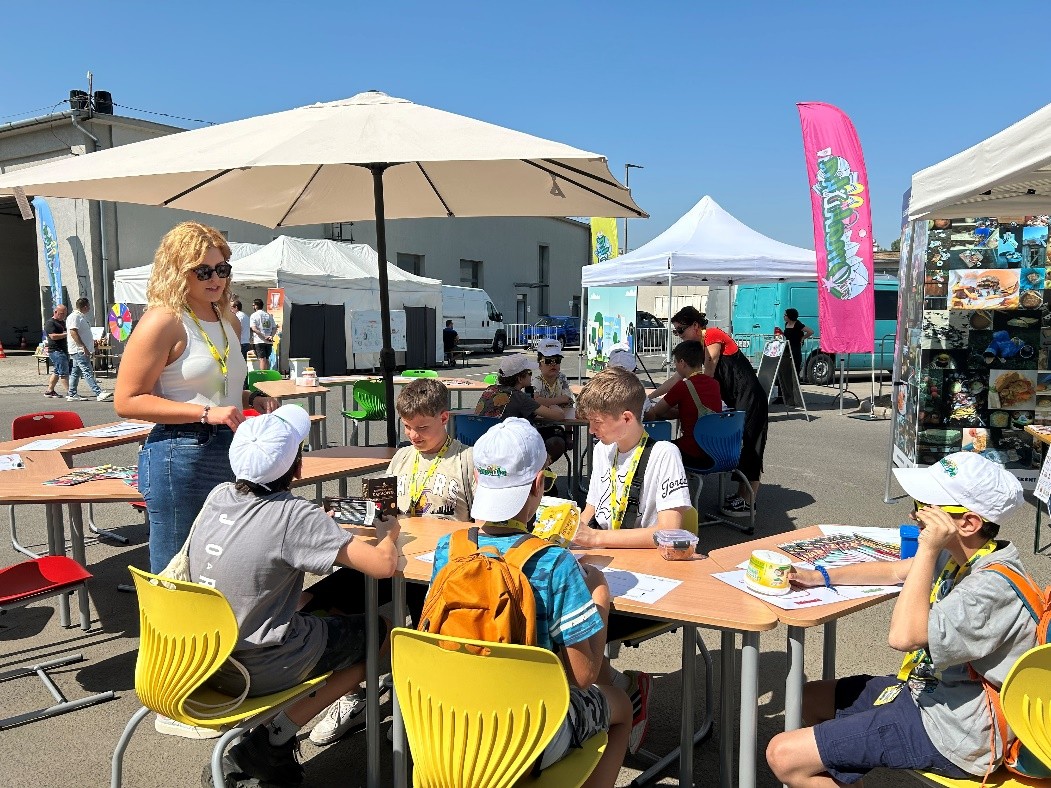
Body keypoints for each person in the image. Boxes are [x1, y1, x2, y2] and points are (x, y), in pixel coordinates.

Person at [766, 452, 1036, 787]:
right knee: (808, 698)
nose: (913, 514)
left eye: (925, 506)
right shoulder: (964, 555)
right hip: (929, 692)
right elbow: (895, 571)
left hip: (959, 730)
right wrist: (818, 575)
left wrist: (927, 549)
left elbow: (903, 637)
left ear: (967, 523)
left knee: (783, 756)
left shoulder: (988, 588)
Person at [183, 405, 401, 785]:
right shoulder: (296, 516)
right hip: (258, 665)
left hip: (203, 658)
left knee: (323, 611)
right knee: (380, 633)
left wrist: (318, 527)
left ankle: (279, 729)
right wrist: (390, 533)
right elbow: (382, 565)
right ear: (297, 467)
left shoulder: (219, 495)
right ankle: (276, 734)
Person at [428, 418, 631, 786]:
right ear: (539, 483)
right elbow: (583, 676)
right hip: (527, 735)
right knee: (621, 705)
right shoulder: (555, 563)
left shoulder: (448, 550)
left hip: (453, 724)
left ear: (477, 480)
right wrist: (599, 594)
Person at [302, 378, 476, 745]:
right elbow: (384, 509)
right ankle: (352, 696)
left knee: (427, 629)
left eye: (422, 427)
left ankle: (422, 705)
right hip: (393, 558)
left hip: (438, 570)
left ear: (444, 418)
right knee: (327, 599)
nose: (413, 435)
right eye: (408, 426)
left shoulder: (466, 460)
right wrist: (354, 514)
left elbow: (480, 523)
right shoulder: (402, 457)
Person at [114, 222, 272, 584]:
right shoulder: (164, 320)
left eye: (222, 269)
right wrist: (205, 413)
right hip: (181, 451)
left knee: (220, 563)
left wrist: (252, 398)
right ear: (177, 270)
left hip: (229, 447)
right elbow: (127, 400)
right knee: (176, 571)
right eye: (203, 271)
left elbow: (214, 387)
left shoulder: (227, 319)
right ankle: (168, 624)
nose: (215, 279)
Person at [571, 366, 694, 754]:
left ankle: (617, 696)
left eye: (597, 422)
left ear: (626, 418)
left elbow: (670, 530)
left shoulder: (664, 454)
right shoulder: (603, 450)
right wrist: (569, 530)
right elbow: (593, 508)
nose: (592, 430)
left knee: (570, 623)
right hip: (606, 570)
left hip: (647, 583)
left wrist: (595, 537)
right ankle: (614, 690)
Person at [656, 307, 767, 517]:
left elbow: (708, 370)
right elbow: (679, 377)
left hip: (749, 395)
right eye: (676, 331)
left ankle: (749, 501)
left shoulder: (713, 335)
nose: (679, 335)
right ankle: (741, 495)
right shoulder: (696, 349)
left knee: (752, 445)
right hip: (735, 397)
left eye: (681, 330)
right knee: (743, 444)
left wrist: (693, 392)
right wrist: (652, 396)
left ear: (695, 326)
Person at [646, 341, 721, 466]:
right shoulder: (715, 384)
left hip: (693, 452)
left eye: (675, 362)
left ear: (682, 362)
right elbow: (692, 409)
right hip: (715, 450)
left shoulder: (683, 386)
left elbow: (657, 411)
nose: (675, 366)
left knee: (655, 450)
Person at [475, 354, 566, 428]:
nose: (531, 376)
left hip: (480, 440)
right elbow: (559, 416)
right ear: (520, 378)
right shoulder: (519, 397)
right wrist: (553, 405)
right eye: (529, 373)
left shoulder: (490, 389)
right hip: (506, 442)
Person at [532, 338, 574, 466]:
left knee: (558, 443)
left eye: (557, 360)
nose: (553, 364)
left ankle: (568, 434)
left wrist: (546, 402)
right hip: (537, 426)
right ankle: (540, 469)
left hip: (557, 424)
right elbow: (536, 400)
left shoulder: (562, 378)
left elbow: (567, 399)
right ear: (540, 364)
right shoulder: (537, 380)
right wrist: (557, 401)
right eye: (548, 361)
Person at [65, 297, 112, 402]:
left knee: (76, 372)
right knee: (87, 371)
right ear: (85, 307)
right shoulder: (75, 317)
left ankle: (72, 393)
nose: (90, 308)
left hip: (80, 349)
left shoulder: (80, 317)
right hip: (79, 350)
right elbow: (73, 332)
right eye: (89, 306)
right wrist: (82, 346)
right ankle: (98, 393)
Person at [43, 303, 70, 398]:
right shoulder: (50, 323)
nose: (63, 316)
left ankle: (49, 390)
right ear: (55, 312)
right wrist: (66, 334)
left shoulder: (63, 322)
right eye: (62, 313)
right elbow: (53, 336)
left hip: (63, 349)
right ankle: (70, 392)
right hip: (56, 350)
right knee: (63, 372)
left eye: (65, 314)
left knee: (57, 371)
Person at [783, 308, 813, 380]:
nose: (784, 316)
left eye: (785, 315)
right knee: (787, 365)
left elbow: (810, 331)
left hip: (795, 347)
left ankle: (796, 380)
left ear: (790, 316)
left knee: (795, 364)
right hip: (787, 347)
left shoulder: (797, 324)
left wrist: (803, 338)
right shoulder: (786, 324)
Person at [250, 297, 277, 371]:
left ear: (256, 306)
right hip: (269, 341)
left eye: (253, 305)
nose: (253, 307)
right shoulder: (268, 315)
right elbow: (274, 328)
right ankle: (267, 374)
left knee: (262, 359)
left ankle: (263, 375)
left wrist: (264, 336)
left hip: (259, 340)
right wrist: (271, 336)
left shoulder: (254, 315)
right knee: (267, 359)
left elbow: (254, 328)